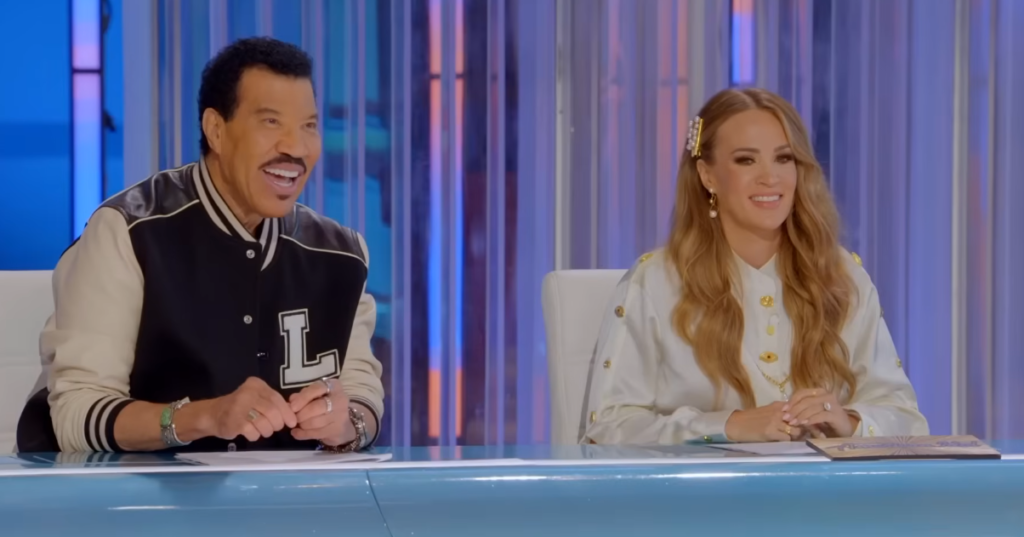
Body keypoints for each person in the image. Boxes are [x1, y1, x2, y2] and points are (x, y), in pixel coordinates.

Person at [16, 37, 384, 453]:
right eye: (271, 122)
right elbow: (77, 415)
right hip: (127, 492)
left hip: (284, 494)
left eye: (309, 126)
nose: (295, 148)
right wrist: (203, 418)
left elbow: (363, 396)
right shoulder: (130, 231)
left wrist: (348, 423)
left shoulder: (341, 255)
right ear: (216, 130)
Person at [580, 88, 928, 445]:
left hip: (822, 482)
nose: (770, 177)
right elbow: (606, 429)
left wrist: (850, 421)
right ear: (707, 175)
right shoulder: (655, 281)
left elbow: (906, 420)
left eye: (784, 158)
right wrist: (727, 426)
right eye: (746, 160)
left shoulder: (842, 277)